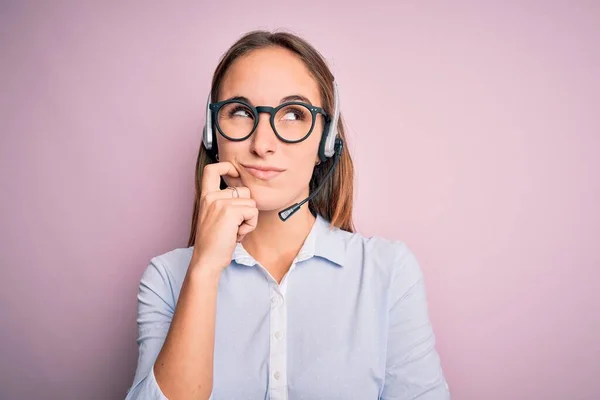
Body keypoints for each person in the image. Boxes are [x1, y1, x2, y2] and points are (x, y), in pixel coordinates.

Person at [125, 30, 450, 400]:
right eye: (241, 112)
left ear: (325, 143)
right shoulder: (167, 278)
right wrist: (203, 270)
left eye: (293, 114)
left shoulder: (388, 272)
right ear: (213, 137)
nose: (262, 144)